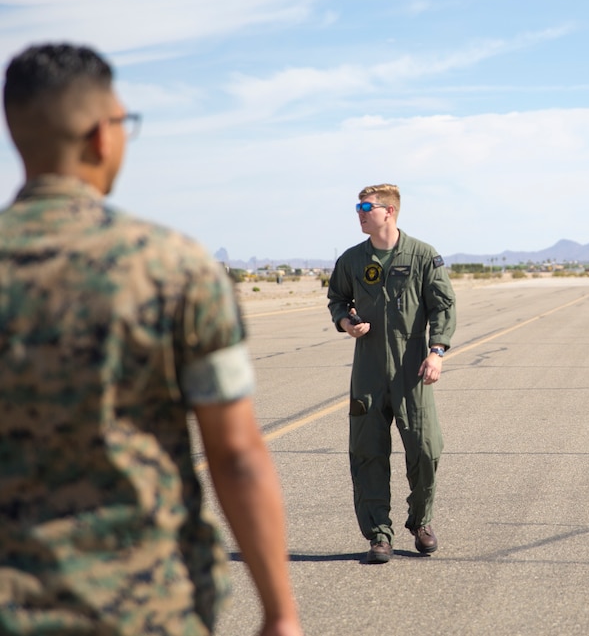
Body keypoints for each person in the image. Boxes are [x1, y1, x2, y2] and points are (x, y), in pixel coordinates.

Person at [0, 43, 303, 636]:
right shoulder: (172, 268)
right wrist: (280, 611)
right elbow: (236, 453)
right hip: (145, 607)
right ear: (100, 137)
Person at [327, 183, 456, 564]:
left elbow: (443, 307)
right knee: (368, 452)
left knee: (426, 448)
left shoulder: (421, 255)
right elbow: (338, 299)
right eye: (357, 206)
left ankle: (420, 521)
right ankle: (379, 534)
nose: (360, 212)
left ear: (389, 212)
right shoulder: (351, 260)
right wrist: (345, 321)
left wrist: (437, 352)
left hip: (411, 369)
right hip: (368, 371)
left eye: (366, 206)